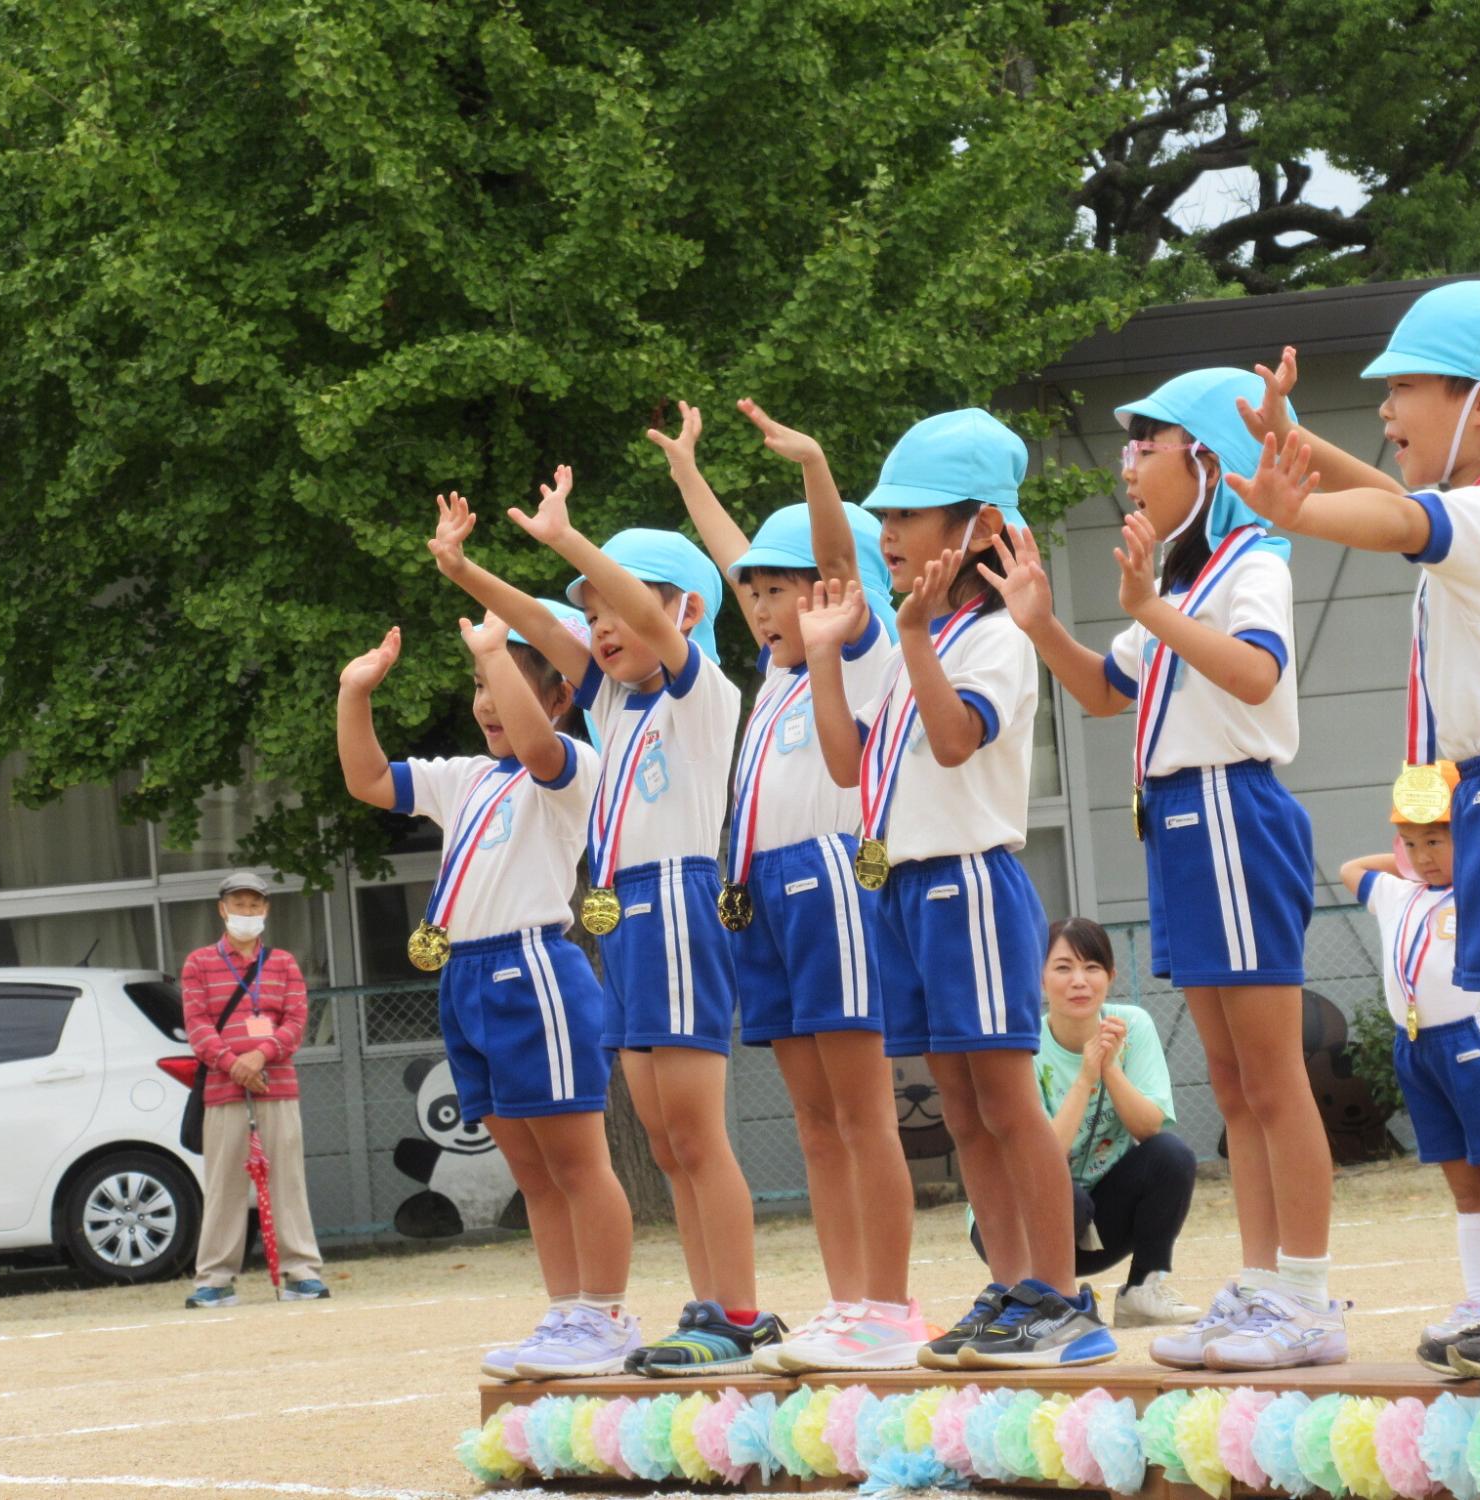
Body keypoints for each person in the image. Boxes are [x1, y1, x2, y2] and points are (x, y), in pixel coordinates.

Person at [1230, 280, 1480, 1380]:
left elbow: (1394, 517)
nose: (1389, 409)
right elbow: (1394, 497)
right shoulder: (1471, 510)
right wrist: (1297, 445)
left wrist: (1295, 507)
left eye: (1406, 386)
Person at [983, 368, 1338, 1372]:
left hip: (1230, 810)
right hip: (1182, 822)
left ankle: (1301, 1295)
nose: (1126, 464)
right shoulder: (1186, 584)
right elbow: (1104, 691)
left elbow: (1257, 671)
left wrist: (1150, 606)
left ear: (1206, 461)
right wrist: (1039, 621)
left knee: (1269, 1077)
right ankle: (1264, 1286)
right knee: (1232, 1080)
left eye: (1146, 446)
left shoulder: (1250, 563)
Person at [799, 408, 1116, 1370]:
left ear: (977, 526)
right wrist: (824, 654)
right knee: (961, 1108)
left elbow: (953, 740)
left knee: (1007, 1100)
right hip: (905, 891)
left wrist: (912, 640)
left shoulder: (990, 638)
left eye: (910, 515)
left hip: (971, 885)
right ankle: (1014, 1284)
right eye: (883, 515)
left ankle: (1061, 1296)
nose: (887, 534)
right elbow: (851, 766)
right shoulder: (917, 642)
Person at [464, 468, 780, 1377]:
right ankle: (707, 1303)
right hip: (628, 915)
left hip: (679, 900)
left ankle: (739, 1310)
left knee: (693, 1126)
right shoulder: (610, 702)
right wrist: (466, 572)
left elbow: (637, 617)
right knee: (660, 1133)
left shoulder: (700, 687)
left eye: (616, 608)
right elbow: (537, 624)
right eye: (589, 613)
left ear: (681, 614)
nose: (599, 627)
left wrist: (568, 540)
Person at [648, 397, 926, 1371]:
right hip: (761, 894)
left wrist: (813, 468)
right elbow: (732, 554)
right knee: (813, 1120)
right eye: (756, 593)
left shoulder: (852, 646)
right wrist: (688, 473)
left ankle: (888, 1306)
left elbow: (836, 563)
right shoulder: (772, 672)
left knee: (860, 1110)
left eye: (784, 588)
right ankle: (847, 1301)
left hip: (833, 883)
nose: (763, 606)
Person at [338, 571, 637, 1381]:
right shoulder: (467, 779)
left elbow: (538, 747)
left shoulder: (572, 764)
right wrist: (353, 693)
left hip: (533, 969)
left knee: (578, 1162)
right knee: (532, 1170)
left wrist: (498, 644)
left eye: (503, 684)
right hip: (466, 978)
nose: (488, 701)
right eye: (478, 685)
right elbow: (368, 781)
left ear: (559, 697)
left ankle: (605, 1312)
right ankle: (565, 1313)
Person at [1339, 763, 1480, 1371]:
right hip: (1416, 1047)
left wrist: (1467, 851)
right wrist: (1401, 858)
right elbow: (1350, 871)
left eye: (1437, 840)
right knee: (1462, 1183)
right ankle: (1478, 1298)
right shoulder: (1398, 891)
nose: (1423, 856)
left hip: (1473, 1040)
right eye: (1412, 843)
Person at [968, 917, 1200, 1328]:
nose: (1080, 981)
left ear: (1110, 976)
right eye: (1063, 968)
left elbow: (1149, 1129)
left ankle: (1143, 1291)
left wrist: (1110, 1067)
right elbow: (1041, 1159)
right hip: (1022, 1222)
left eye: (1092, 967)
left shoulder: (1133, 1025)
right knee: (1061, 1189)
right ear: (1039, 979)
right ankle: (1038, 1297)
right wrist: (1085, 1077)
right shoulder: (1025, 1046)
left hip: (1100, 1220)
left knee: (1172, 1155)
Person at [182, 870, 329, 1308]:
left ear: (265, 910)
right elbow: (198, 1026)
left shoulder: (283, 962)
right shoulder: (199, 963)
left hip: (278, 1085)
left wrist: (260, 1056)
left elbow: (296, 1023)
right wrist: (234, 1065)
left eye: (254, 904)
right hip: (223, 1091)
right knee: (223, 1184)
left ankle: (301, 1270)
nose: (246, 912)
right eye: (238, 903)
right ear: (221, 908)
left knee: (288, 1181)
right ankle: (215, 1278)